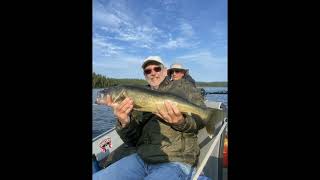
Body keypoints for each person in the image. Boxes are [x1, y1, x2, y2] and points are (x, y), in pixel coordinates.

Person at [93, 56, 206, 180]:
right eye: (148, 71)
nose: (152, 73)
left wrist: (181, 122)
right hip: (141, 158)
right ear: (145, 75)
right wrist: (124, 122)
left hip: (175, 160)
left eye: (157, 69)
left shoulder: (184, 87)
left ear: (165, 71)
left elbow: (200, 120)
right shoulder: (136, 96)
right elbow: (131, 141)